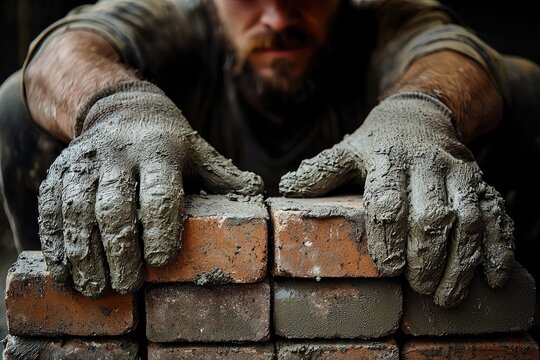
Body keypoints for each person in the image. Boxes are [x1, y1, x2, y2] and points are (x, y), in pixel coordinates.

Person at [0, 0, 538, 309]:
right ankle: (72, 311)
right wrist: (117, 105)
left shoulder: (378, 20)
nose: (278, 17)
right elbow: (61, 51)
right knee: (18, 109)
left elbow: (455, 52)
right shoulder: (177, 19)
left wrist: (421, 111)